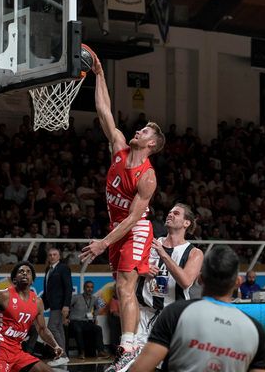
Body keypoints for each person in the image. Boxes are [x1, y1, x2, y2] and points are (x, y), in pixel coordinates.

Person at [80, 51, 165, 371]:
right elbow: (104, 111)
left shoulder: (147, 176)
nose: (139, 131)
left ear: (152, 144)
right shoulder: (118, 146)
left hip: (135, 227)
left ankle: (128, 348)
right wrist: (100, 73)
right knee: (121, 287)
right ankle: (133, 344)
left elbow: (133, 218)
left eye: (145, 132)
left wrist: (103, 243)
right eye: (141, 129)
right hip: (116, 229)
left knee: (126, 285)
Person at [129, 245, 265, 372]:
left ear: (201, 278)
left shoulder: (176, 313)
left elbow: (140, 369)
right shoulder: (255, 329)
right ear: (238, 281)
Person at [0, 261, 63, 372]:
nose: (25, 273)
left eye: (28, 272)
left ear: (32, 280)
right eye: (21, 271)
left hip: (16, 350)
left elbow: (42, 329)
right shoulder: (3, 295)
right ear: (14, 279)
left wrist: (55, 346)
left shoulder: (38, 302)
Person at [136, 203, 203, 352]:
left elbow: (186, 282)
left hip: (172, 316)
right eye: (170, 212)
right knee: (136, 361)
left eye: (176, 213)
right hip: (143, 313)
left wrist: (164, 254)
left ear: (186, 223)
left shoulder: (194, 253)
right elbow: (130, 269)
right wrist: (142, 270)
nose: (170, 214)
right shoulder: (150, 243)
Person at [41, 247, 71, 367]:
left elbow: (68, 287)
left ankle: (62, 356)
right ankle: (63, 356)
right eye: (50, 255)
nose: (52, 257)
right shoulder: (48, 269)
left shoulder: (63, 268)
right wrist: (42, 304)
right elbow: (47, 289)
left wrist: (66, 305)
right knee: (59, 329)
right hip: (52, 304)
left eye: (55, 254)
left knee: (52, 327)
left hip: (60, 305)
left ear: (59, 256)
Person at [69, 281, 109, 359]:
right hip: (75, 321)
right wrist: (66, 318)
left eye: (91, 287)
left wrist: (95, 317)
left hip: (85, 321)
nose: (89, 289)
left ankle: (100, 351)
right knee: (78, 329)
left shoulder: (94, 298)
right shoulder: (76, 297)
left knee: (98, 328)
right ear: (84, 288)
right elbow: (66, 306)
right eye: (87, 287)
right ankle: (81, 352)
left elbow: (98, 307)